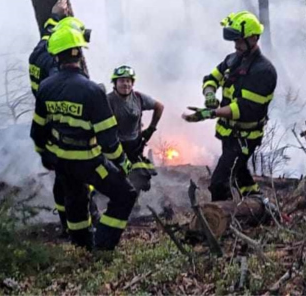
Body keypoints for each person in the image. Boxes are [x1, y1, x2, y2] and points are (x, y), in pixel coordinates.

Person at [31, 19, 138, 251]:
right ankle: (102, 246)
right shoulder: (92, 90)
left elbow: (37, 132)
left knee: (75, 202)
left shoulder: (45, 88)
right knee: (125, 194)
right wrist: (125, 164)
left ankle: (81, 248)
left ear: (56, 56)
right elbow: (108, 141)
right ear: (79, 53)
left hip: (62, 161)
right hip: (89, 161)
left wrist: (46, 156)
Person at [182, 11, 277, 201]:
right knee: (240, 173)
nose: (236, 46)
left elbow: (243, 109)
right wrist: (209, 94)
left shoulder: (263, 71)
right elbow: (211, 78)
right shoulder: (232, 59)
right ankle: (257, 207)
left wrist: (210, 113)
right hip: (229, 134)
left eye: (240, 41)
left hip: (245, 137)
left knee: (219, 182)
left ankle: (225, 220)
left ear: (253, 38)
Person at [28, 0, 69, 235]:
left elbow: (46, 40)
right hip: (61, 124)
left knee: (62, 176)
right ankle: (75, 226)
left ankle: (66, 220)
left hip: (49, 122)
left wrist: (54, 18)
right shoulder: (55, 66)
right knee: (71, 176)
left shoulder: (38, 53)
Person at [107, 65, 164, 191]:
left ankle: (133, 201)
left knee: (141, 181)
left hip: (134, 147)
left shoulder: (138, 98)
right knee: (115, 177)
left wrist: (151, 129)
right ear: (115, 83)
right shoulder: (108, 100)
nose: (125, 84)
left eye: (128, 81)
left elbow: (159, 107)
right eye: (122, 80)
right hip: (115, 147)